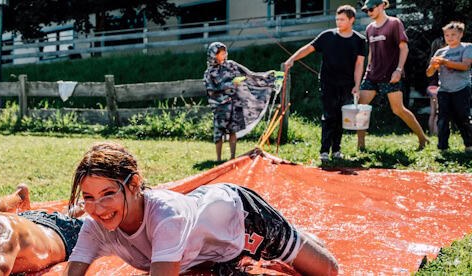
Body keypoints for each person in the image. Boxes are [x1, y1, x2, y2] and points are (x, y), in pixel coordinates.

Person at [62, 142, 339, 275]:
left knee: (326, 271)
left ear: (134, 184)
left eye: (108, 194)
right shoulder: (94, 226)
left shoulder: (165, 216)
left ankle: (296, 236)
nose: (98, 208)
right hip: (206, 254)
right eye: (88, 197)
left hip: (241, 216)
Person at [284, 5, 367, 162]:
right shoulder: (327, 36)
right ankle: (324, 151)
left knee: (341, 117)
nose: (338, 22)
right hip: (328, 83)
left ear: (352, 20)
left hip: (348, 84)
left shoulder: (359, 40)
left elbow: (359, 65)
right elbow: (308, 49)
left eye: (342, 19)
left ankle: (336, 150)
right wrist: (292, 59)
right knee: (329, 116)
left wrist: (357, 85)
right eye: (337, 19)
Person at [356, 0, 430, 150]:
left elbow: (404, 48)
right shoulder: (369, 28)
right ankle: (360, 145)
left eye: (371, 9)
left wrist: (398, 69)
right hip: (372, 76)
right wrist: (366, 72)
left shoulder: (394, 23)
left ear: (381, 6)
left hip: (390, 75)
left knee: (398, 109)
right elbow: (371, 52)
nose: (369, 12)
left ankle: (423, 139)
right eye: (366, 11)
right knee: (361, 108)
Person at [204, 42, 278, 161]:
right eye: (221, 53)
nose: (224, 55)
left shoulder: (231, 65)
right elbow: (211, 90)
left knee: (233, 131)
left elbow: (249, 75)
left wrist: (268, 78)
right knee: (219, 133)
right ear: (213, 55)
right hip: (220, 107)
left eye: (225, 52)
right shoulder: (209, 72)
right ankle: (218, 159)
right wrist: (229, 85)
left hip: (234, 104)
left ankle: (232, 157)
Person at [426, 21, 472, 152]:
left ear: (461, 34)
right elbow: (429, 73)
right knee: (442, 118)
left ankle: (469, 145)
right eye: (447, 35)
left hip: (462, 88)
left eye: (453, 34)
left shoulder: (467, 47)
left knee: (462, 117)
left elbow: (465, 66)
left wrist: (445, 62)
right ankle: (443, 147)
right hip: (444, 90)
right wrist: (433, 66)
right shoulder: (440, 51)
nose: (450, 37)